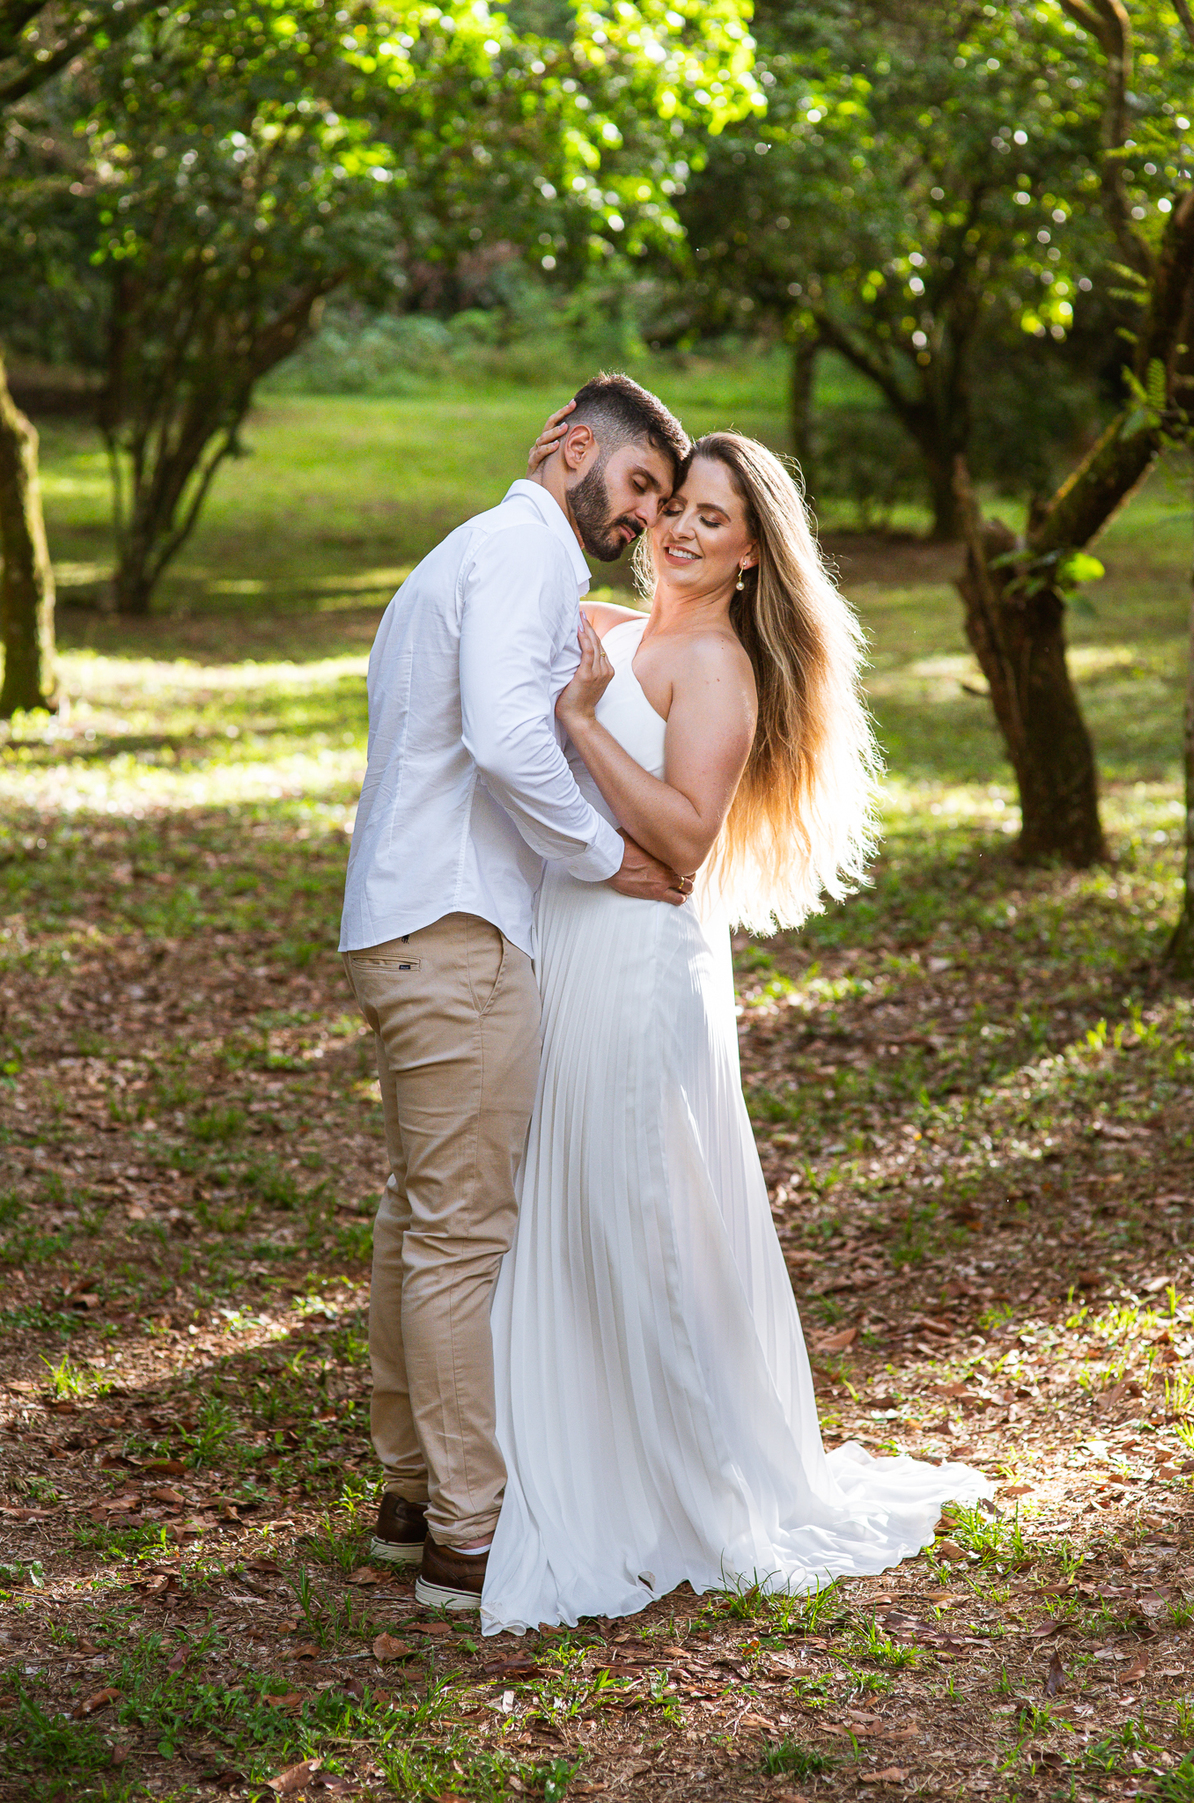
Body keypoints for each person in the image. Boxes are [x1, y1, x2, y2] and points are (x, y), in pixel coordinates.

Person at [481, 424, 990, 1634]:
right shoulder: (620, 630)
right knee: (573, 1200)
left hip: (644, 964)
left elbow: (685, 836)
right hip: (575, 946)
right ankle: (567, 1441)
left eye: (714, 516)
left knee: (640, 1206)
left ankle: (681, 1473)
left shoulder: (712, 665)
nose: (682, 528)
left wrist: (589, 724)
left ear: (753, 552)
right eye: (676, 508)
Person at [339, 373, 692, 1611]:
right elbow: (502, 733)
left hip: (404, 923)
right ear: (573, 449)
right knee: (459, 1239)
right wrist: (610, 858)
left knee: (415, 1219)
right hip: (459, 931)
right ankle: (467, 1536)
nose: (644, 519)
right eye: (641, 487)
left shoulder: (474, 551)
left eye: (660, 503)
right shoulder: (523, 550)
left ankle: (406, 1496)